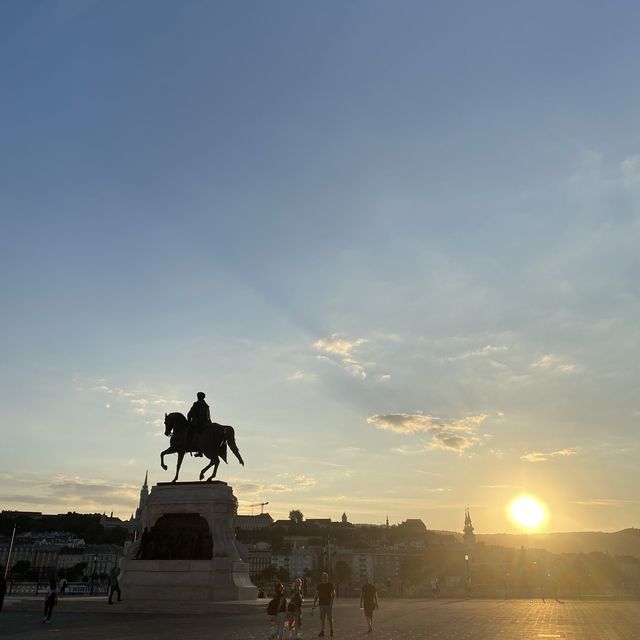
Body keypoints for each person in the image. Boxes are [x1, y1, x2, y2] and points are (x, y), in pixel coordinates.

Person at [187, 392, 211, 456]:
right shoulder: (206, 405)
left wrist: (189, 421)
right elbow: (208, 416)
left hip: (197, 423)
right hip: (205, 423)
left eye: (198, 396)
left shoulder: (196, 404)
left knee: (188, 431)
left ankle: (188, 446)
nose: (197, 397)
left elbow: (190, 414)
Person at [312, 572, 334, 638]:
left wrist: (331, 603)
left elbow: (333, 594)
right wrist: (314, 603)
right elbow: (316, 595)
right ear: (321, 578)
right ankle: (322, 631)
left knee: (330, 618)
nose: (324, 578)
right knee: (322, 618)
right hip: (321, 604)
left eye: (325, 577)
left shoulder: (330, 585)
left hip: (328, 604)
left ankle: (331, 630)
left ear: (327, 578)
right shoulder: (319, 585)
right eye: (323, 577)